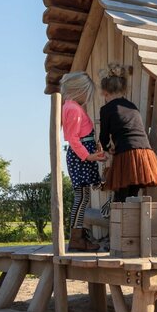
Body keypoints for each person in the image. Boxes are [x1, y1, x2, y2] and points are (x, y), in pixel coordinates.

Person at [99, 63, 157, 202]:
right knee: (132, 195)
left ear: (105, 92)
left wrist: (108, 148)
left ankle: (119, 223)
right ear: (123, 89)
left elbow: (103, 137)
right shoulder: (132, 106)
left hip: (127, 154)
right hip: (145, 154)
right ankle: (132, 222)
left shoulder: (106, 109)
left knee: (120, 198)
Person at [60, 71, 106, 251]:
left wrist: (93, 151)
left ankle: (77, 236)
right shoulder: (72, 108)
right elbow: (72, 138)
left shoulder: (72, 107)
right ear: (79, 91)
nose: (88, 98)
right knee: (81, 197)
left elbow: (80, 136)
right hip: (80, 158)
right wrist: (87, 156)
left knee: (84, 196)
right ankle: (76, 238)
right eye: (86, 94)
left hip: (82, 157)